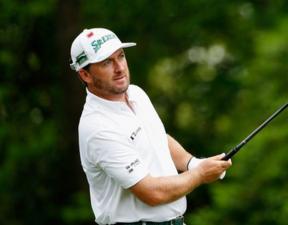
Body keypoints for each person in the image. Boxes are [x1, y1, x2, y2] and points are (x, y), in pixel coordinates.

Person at [69, 28, 232, 225]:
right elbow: (152, 193)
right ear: (85, 74)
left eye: (120, 56)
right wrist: (199, 174)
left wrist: (193, 163)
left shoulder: (136, 93)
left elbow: (158, 137)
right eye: (107, 62)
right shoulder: (98, 127)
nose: (119, 67)